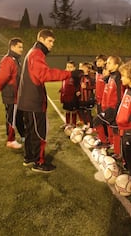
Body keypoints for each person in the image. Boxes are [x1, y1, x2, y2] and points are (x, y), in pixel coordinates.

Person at [17, 29, 81, 173]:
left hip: (27, 101)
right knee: (39, 133)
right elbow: (45, 74)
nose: (52, 44)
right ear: (41, 39)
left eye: (53, 41)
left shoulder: (32, 52)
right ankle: (39, 163)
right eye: (50, 41)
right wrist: (69, 74)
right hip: (33, 101)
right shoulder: (36, 53)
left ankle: (29, 158)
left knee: (30, 132)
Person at [0, 37, 25, 149]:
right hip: (11, 95)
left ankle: (23, 135)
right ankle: (11, 140)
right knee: (11, 117)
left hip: (17, 95)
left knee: (19, 117)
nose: (22, 49)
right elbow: (1, 78)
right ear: (12, 47)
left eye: (22, 47)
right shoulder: (8, 60)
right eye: (19, 47)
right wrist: (3, 89)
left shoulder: (16, 59)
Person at [93, 56, 123, 159]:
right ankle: (116, 151)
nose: (107, 64)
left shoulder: (118, 77)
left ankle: (105, 142)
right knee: (114, 129)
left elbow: (119, 95)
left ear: (116, 65)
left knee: (96, 121)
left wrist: (117, 109)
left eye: (110, 63)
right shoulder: (111, 76)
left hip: (113, 108)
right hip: (108, 107)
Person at [59, 61, 79, 128]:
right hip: (65, 96)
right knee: (67, 110)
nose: (69, 68)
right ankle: (67, 123)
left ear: (74, 68)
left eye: (71, 67)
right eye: (68, 67)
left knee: (73, 111)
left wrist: (78, 91)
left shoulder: (75, 76)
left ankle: (73, 123)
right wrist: (61, 90)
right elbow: (64, 84)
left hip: (73, 96)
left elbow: (78, 85)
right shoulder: (65, 75)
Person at [77, 62, 95, 134]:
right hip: (81, 98)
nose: (82, 69)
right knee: (81, 111)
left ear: (87, 69)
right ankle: (85, 124)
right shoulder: (81, 77)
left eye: (83, 67)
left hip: (88, 98)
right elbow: (79, 86)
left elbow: (94, 86)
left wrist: (87, 87)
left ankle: (91, 126)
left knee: (88, 112)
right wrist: (78, 91)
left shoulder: (91, 77)